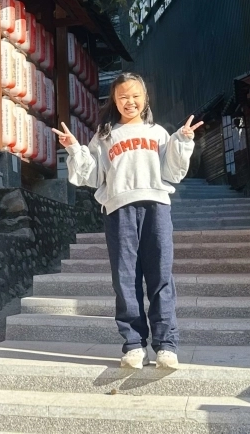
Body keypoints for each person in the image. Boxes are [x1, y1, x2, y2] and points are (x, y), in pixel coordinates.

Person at [52, 72, 201, 370]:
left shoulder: (158, 133)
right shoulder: (106, 136)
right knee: (125, 279)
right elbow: (92, 175)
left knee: (160, 275)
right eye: (123, 97)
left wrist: (182, 140)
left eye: (135, 96)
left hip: (156, 206)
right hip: (119, 210)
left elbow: (173, 172)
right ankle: (133, 344)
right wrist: (72, 147)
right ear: (114, 101)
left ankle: (166, 346)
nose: (129, 102)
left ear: (145, 99)